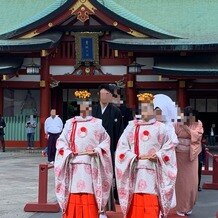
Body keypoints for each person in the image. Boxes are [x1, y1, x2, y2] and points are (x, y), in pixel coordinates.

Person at [115, 93, 177, 218]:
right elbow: (122, 147)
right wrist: (131, 157)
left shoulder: (161, 128)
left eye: (148, 108)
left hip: (153, 170)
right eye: (143, 108)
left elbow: (169, 148)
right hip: (135, 169)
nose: (146, 111)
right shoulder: (131, 127)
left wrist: (159, 155)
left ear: (153, 110)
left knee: (151, 202)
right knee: (136, 201)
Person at [54, 90, 113, 218]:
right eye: (82, 105)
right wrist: (68, 152)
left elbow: (106, 141)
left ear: (90, 106)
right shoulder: (70, 123)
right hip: (74, 163)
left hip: (91, 164)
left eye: (87, 105)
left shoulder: (97, 123)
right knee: (74, 191)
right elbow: (61, 142)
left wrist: (97, 150)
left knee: (89, 191)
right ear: (79, 106)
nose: (84, 108)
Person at [92, 84, 123, 209]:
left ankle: (108, 204)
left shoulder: (116, 111)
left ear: (110, 96)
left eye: (106, 94)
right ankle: (94, 202)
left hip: (109, 149)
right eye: (102, 94)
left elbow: (119, 132)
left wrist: (118, 150)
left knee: (108, 175)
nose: (104, 96)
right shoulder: (93, 110)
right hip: (93, 148)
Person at [174, 106, 204, 216]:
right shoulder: (177, 123)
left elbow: (196, 136)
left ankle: (190, 205)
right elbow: (173, 136)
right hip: (179, 155)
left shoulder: (198, 123)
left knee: (192, 182)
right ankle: (181, 207)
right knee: (181, 183)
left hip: (192, 155)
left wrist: (186, 127)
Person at [153, 94, 179, 209]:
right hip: (152, 160)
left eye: (159, 113)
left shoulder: (169, 127)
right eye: (156, 112)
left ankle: (163, 208)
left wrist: (161, 151)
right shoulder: (151, 126)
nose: (157, 115)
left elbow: (174, 142)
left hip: (165, 161)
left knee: (164, 185)